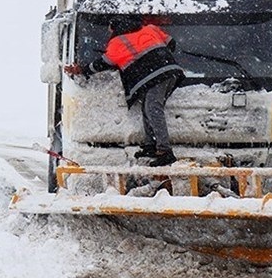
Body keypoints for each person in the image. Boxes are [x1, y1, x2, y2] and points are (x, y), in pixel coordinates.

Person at [64, 17, 185, 167]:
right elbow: (171, 43)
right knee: (147, 107)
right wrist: (157, 55)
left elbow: (103, 63)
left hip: (157, 75)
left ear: (114, 28)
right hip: (168, 71)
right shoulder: (150, 29)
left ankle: (165, 151)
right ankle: (150, 145)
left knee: (153, 108)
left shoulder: (117, 42)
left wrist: (82, 69)